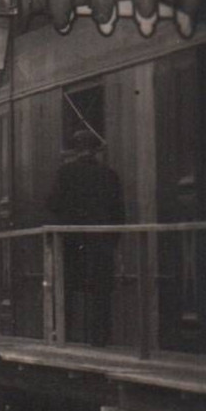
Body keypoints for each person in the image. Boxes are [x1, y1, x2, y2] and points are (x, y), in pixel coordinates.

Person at [47, 130, 126, 347]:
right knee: (100, 289)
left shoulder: (65, 173)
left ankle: (64, 335)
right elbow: (119, 212)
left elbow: (52, 203)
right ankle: (99, 339)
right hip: (102, 240)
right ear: (96, 150)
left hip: (72, 241)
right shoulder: (110, 175)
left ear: (75, 150)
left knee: (67, 287)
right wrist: (113, 242)